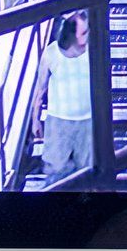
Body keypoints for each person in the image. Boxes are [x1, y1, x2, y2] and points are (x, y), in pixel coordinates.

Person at [36, 13, 95, 186]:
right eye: (83, 33)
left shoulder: (92, 51)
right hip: (58, 122)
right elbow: (41, 89)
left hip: (87, 121)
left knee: (86, 172)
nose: (87, 35)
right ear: (71, 34)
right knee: (56, 171)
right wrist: (35, 120)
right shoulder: (51, 53)